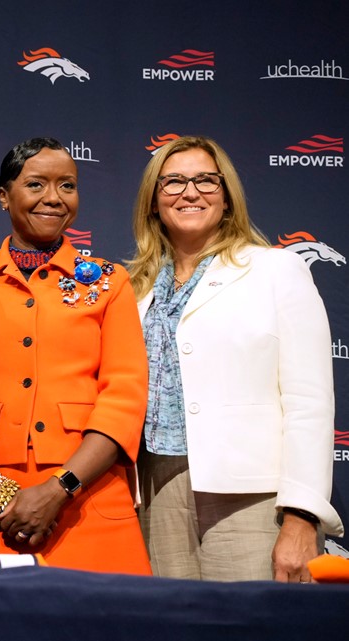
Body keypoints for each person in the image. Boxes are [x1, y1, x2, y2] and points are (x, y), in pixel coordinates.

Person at [127, 135, 344, 582]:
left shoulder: (277, 269)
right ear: (153, 201)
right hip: (155, 488)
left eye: (206, 180)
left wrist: (302, 516)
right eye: (173, 182)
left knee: (253, 626)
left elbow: (310, 401)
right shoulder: (134, 288)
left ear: (226, 197)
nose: (190, 192)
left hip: (252, 495)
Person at [0, 137, 151, 575]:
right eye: (36, 184)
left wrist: (60, 489)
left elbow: (124, 398)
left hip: (90, 500)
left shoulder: (108, 281)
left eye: (67, 186)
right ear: (4, 196)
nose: (53, 198)